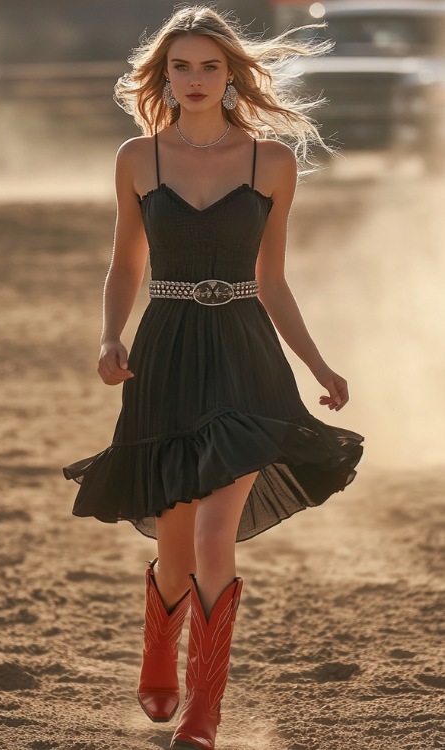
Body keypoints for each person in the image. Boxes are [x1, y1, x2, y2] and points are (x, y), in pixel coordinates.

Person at [63, 5, 363, 749]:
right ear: (162, 75)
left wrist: (317, 363)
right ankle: (159, 648)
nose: (194, 79)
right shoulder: (138, 159)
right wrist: (109, 335)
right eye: (181, 66)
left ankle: (205, 711)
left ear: (232, 75)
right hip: (164, 354)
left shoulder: (272, 162)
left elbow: (274, 281)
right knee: (173, 545)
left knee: (212, 533)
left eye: (209, 66)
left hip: (244, 356)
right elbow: (126, 264)